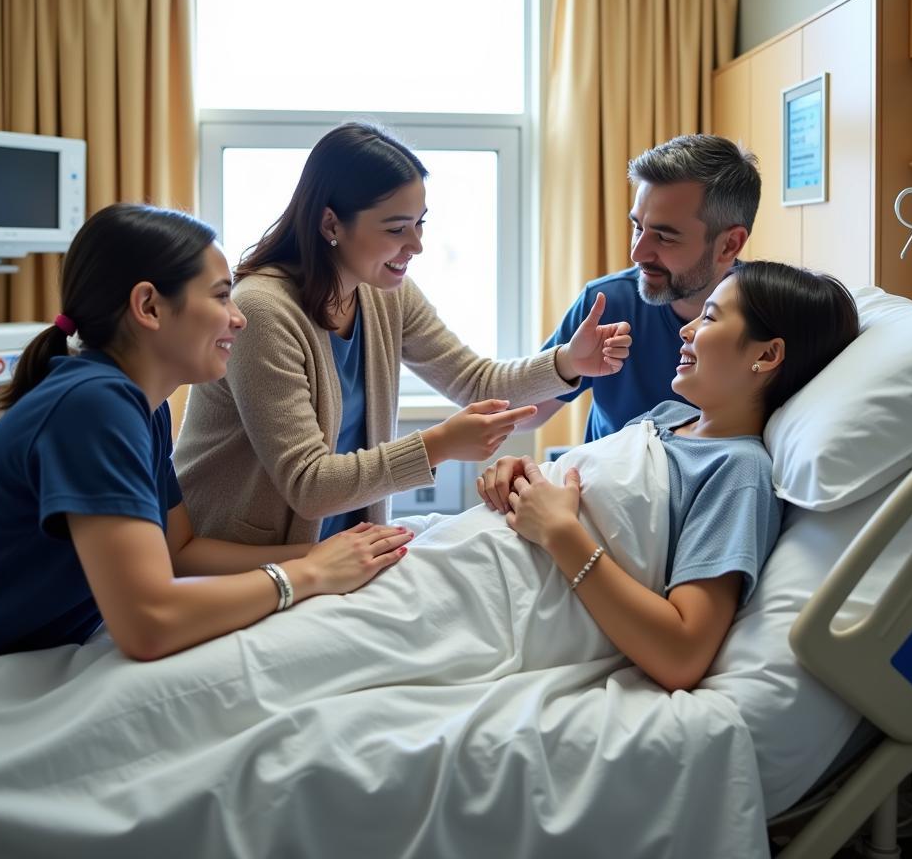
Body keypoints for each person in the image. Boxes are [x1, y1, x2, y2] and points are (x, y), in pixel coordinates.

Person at [0, 203, 415, 668]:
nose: (240, 318)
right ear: (149, 307)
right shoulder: (92, 406)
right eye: (220, 297)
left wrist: (325, 553)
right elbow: (148, 624)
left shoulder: (138, 407)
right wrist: (308, 574)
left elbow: (180, 552)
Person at [175, 122, 632, 547]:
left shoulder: (384, 294)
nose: (416, 245)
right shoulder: (263, 311)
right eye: (397, 229)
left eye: (420, 224)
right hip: (241, 553)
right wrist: (439, 444)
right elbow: (309, 485)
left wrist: (570, 362)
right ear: (331, 224)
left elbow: (477, 381)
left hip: (337, 551)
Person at [473, 260, 860, 691]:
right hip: (477, 552)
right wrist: (526, 478)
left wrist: (561, 532)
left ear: (766, 355)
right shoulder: (667, 417)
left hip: (495, 604)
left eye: (710, 317)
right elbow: (587, 490)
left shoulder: (737, 471)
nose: (686, 329)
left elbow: (682, 653)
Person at [530, 133, 762, 442]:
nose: (637, 254)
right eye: (638, 227)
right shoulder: (606, 303)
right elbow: (521, 416)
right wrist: (569, 362)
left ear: (729, 244)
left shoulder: (771, 316)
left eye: (665, 237)